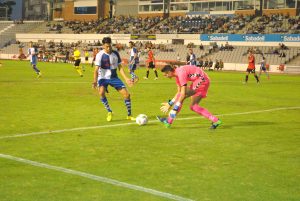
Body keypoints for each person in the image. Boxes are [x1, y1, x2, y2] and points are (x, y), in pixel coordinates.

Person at [156, 64, 222, 129]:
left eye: (166, 74)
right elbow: (179, 92)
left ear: (169, 72)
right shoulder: (177, 77)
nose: (166, 76)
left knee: (182, 95)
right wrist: (170, 103)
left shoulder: (180, 73)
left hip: (201, 80)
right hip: (203, 81)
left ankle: (168, 121)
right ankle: (216, 120)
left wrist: (175, 108)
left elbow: (183, 93)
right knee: (193, 106)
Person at [93, 37, 136, 122]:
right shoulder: (99, 55)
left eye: (109, 46)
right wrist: (94, 81)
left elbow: (120, 67)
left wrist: (126, 78)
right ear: (103, 46)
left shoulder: (115, 53)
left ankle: (129, 115)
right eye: (106, 47)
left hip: (114, 77)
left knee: (127, 95)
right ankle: (109, 111)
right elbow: (96, 70)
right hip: (103, 78)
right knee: (101, 92)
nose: (108, 48)